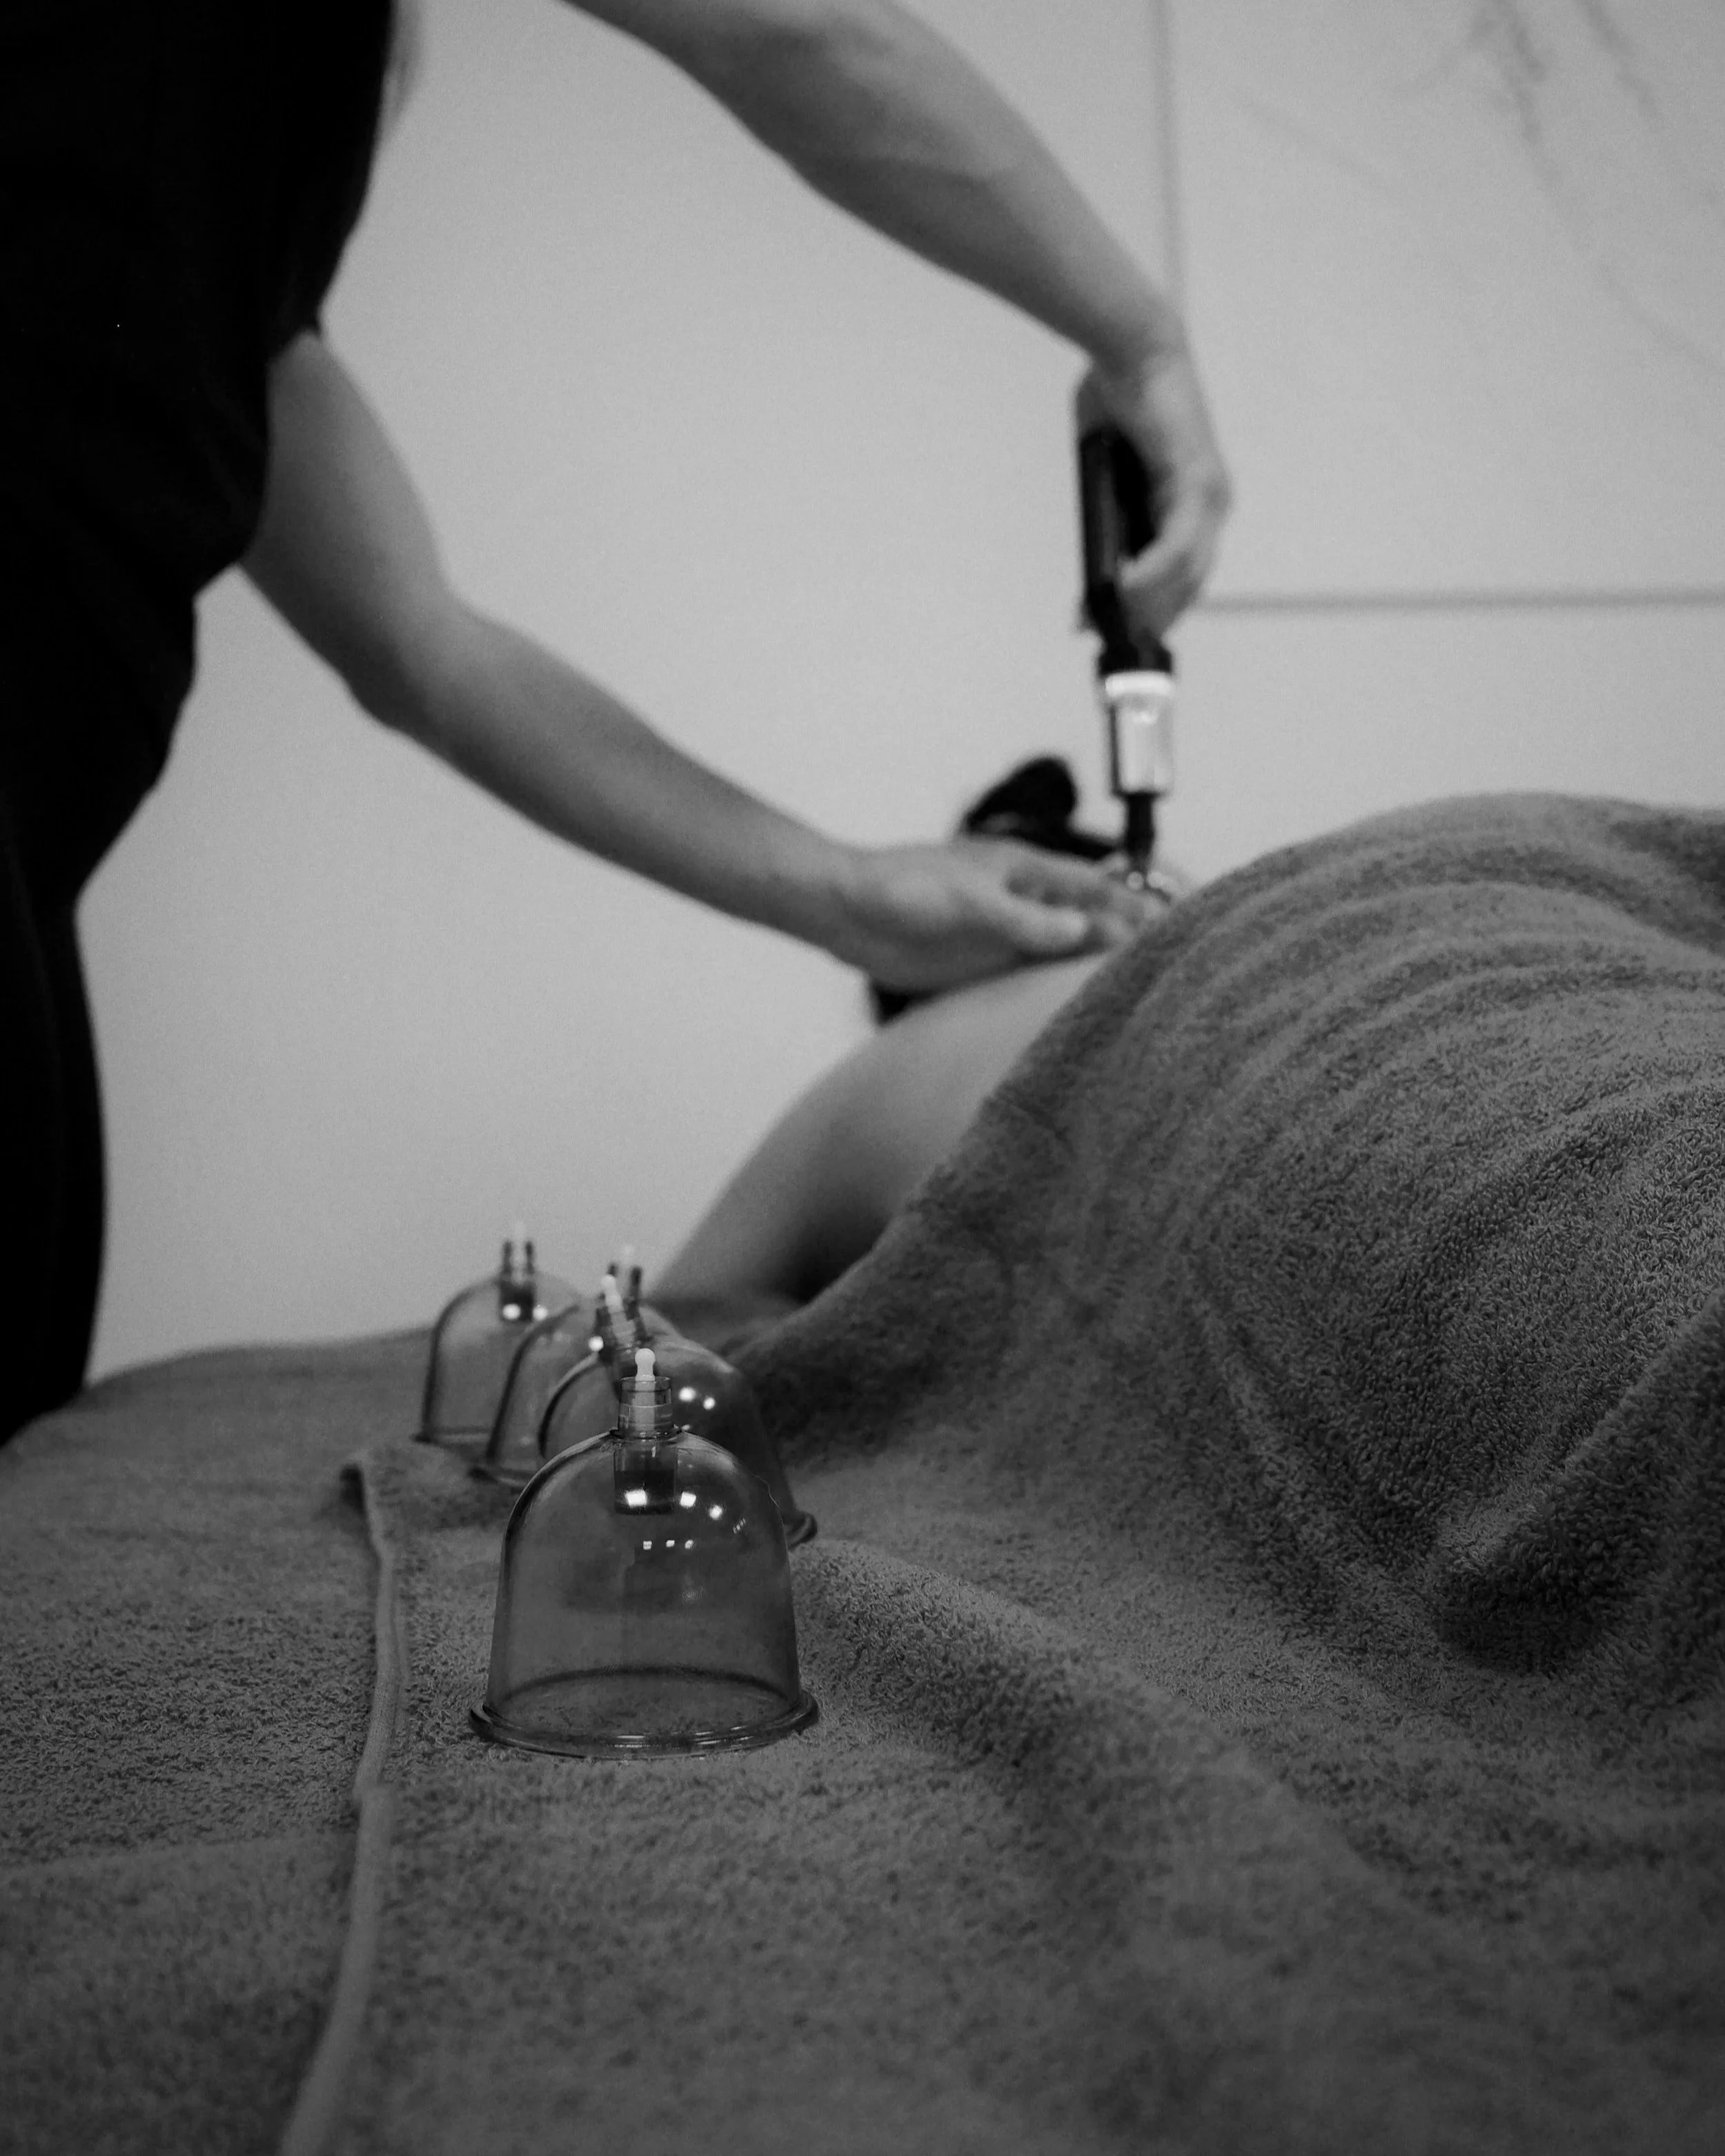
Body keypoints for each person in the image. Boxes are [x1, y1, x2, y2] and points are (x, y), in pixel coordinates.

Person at [0, 0, 1230, 1442]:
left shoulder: (224, 297)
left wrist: (854, 892)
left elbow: (427, 651)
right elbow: (790, 33)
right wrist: (1138, 341)